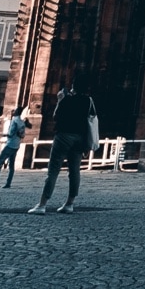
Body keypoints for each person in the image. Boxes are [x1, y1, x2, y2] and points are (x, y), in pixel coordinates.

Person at [29, 73, 96, 214]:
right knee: (75, 171)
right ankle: (69, 204)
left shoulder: (67, 99)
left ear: (73, 85)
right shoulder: (88, 100)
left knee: (53, 170)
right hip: (80, 138)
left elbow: (56, 116)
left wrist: (60, 100)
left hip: (64, 135)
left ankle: (42, 205)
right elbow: (91, 119)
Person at [0, 106, 29, 188]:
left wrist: (4, 134)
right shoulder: (21, 121)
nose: (12, 112)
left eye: (13, 111)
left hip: (10, 144)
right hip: (17, 144)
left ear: (16, 112)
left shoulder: (14, 120)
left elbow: (11, 133)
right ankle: (8, 183)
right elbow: (22, 134)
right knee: (11, 164)